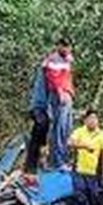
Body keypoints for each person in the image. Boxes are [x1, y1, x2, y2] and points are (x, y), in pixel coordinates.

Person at [43, 37, 75, 169]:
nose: (67, 49)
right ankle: (58, 161)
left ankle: (64, 159)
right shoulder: (54, 59)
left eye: (69, 47)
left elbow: (66, 74)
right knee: (59, 129)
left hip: (67, 94)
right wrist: (61, 93)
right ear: (59, 46)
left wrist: (68, 56)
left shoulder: (65, 58)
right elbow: (54, 78)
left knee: (67, 128)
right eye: (65, 46)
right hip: (59, 96)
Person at [69, 110, 103, 205]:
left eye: (95, 118)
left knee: (94, 196)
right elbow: (70, 142)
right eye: (90, 118)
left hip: (93, 172)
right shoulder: (79, 131)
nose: (93, 121)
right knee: (80, 195)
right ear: (85, 121)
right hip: (79, 171)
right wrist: (84, 146)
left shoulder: (102, 134)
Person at [24, 66, 49, 173]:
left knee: (39, 136)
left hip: (42, 108)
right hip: (39, 107)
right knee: (41, 127)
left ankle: (33, 164)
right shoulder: (47, 69)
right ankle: (31, 165)